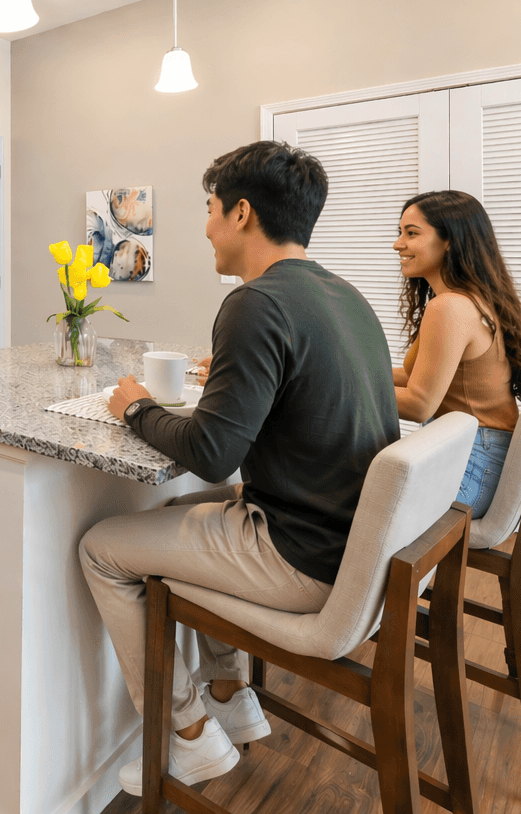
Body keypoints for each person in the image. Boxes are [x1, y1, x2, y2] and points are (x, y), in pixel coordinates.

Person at [86, 140, 398, 793]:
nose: (204, 227)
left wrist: (137, 407)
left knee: (101, 550)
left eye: (209, 209)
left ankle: (185, 734)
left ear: (242, 213)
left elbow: (211, 453)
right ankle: (230, 693)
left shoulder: (254, 302)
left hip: (298, 557)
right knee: (180, 513)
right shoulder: (347, 297)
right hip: (351, 549)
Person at [391, 190, 521, 516]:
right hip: (484, 456)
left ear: (449, 241)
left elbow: (418, 404)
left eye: (411, 234)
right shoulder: (470, 299)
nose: (397, 244)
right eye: (399, 233)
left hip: (474, 466)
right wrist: (350, 372)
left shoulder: (450, 307)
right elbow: (417, 378)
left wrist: (345, 388)